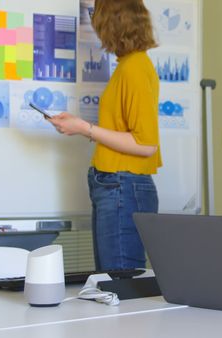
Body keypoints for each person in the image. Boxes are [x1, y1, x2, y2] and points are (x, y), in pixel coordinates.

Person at [48, 0, 161, 270]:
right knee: (111, 281)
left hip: (122, 186)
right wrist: (82, 128)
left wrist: (84, 128)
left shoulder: (134, 68)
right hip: (114, 183)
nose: (94, 23)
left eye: (95, 15)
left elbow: (146, 144)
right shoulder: (127, 66)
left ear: (113, 22)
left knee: (119, 283)